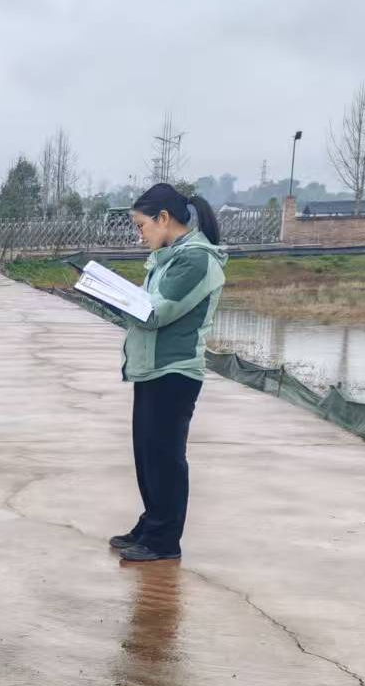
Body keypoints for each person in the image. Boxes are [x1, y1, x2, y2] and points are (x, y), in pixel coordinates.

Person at [110, 183, 227, 564]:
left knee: (165, 457)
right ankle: (152, 524)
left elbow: (156, 313)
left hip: (175, 371)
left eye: (141, 226)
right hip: (151, 369)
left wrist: (111, 296)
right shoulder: (168, 258)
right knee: (147, 455)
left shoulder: (196, 260)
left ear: (163, 218)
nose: (139, 235)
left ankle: (164, 540)